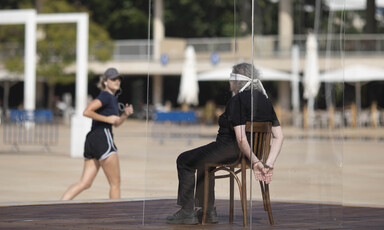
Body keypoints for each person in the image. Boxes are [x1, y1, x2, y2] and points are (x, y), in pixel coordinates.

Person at [166, 62, 284, 225]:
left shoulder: (237, 101)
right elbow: (279, 136)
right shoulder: (265, 101)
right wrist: (267, 163)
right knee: (203, 162)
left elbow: (241, 138)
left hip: (230, 150)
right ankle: (207, 212)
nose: (229, 82)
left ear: (237, 81)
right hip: (251, 155)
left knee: (184, 160)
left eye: (230, 78)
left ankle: (187, 212)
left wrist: (256, 162)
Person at [61, 67, 134, 200]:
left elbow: (116, 123)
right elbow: (86, 111)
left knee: (85, 183)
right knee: (115, 184)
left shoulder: (112, 98)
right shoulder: (106, 96)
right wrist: (107, 119)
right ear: (105, 81)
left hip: (92, 139)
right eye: (113, 79)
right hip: (102, 138)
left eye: (118, 79)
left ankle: (58, 206)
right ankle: (115, 216)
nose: (117, 81)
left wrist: (125, 115)